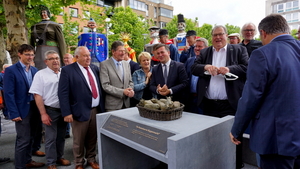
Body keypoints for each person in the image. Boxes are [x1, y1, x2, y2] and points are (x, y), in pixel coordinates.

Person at [230, 14, 300, 169]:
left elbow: (251, 96)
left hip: (275, 140)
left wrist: (237, 129)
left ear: (263, 33)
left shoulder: (263, 53)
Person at [191, 25, 248, 169]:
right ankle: (215, 163)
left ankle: (236, 164)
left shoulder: (238, 49)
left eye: (220, 34)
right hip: (209, 103)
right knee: (211, 137)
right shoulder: (205, 52)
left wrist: (229, 69)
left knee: (234, 136)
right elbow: (194, 68)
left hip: (230, 103)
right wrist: (206, 67)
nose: (218, 38)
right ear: (211, 37)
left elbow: (247, 68)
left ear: (226, 35)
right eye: (215, 35)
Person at [58, 46, 104, 169]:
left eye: (89, 55)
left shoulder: (94, 68)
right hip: (78, 111)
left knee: (92, 138)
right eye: (85, 55)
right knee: (78, 140)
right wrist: (66, 113)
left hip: (95, 110)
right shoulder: (68, 70)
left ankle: (91, 159)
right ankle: (78, 163)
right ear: (76, 57)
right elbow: (63, 93)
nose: (88, 58)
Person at [4, 44, 45, 169]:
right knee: (23, 139)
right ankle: (20, 166)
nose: (30, 57)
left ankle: (28, 160)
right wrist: (13, 113)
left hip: (35, 108)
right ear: (19, 54)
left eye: (32, 54)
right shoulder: (11, 70)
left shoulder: (34, 70)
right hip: (21, 109)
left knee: (32, 137)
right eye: (27, 54)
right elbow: (8, 93)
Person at [29, 50, 70, 169]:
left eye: (57, 58)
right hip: (50, 110)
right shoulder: (40, 74)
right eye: (52, 59)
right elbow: (37, 95)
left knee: (61, 136)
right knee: (50, 138)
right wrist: (43, 114)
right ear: (46, 61)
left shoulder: (64, 72)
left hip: (64, 110)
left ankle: (59, 157)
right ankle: (51, 162)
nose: (55, 61)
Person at [100, 41, 134, 111]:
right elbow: (105, 86)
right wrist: (122, 92)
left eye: (124, 51)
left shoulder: (126, 64)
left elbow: (130, 82)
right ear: (113, 52)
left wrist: (130, 90)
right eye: (120, 51)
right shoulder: (104, 65)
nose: (123, 53)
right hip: (113, 106)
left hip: (126, 105)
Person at [184, 38, 208, 114]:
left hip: (203, 99)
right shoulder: (189, 61)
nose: (197, 49)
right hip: (190, 98)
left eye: (200, 46)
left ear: (206, 48)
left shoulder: (209, 62)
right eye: (195, 46)